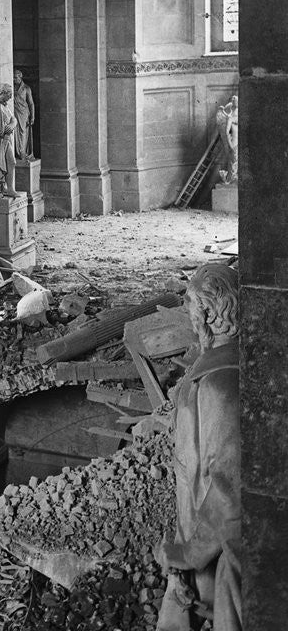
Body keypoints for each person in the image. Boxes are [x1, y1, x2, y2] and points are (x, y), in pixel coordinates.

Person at [156, 262, 241, 631]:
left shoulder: (221, 385)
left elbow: (227, 485)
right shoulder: (218, 371)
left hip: (213, 554)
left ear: (206, 314)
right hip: (198, 538)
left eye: (193, 313)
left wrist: (190, 553)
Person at [13, 69, 35, 160]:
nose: (14, 79)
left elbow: (31, 103)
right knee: (15, 132)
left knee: (23, 133)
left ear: (20, 77)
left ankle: (22, 152)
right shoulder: (12, 87)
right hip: (14, 112)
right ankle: (16, 153)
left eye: (15, 77)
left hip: (23, 114)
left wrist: (33, 116)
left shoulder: (26, 88)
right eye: (13, 77)